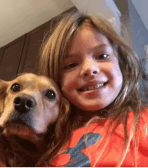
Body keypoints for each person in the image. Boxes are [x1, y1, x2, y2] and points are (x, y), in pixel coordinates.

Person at [36, 11, 148, 167]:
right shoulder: (46, 143)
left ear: (121, 63)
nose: (89, 69)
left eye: (102, 56)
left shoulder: (144, 120)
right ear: (56, 82)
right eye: (71, 65)